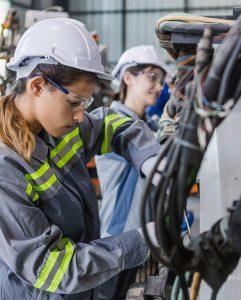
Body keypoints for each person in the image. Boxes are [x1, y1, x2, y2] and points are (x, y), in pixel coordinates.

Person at [0, 18, 159, 300]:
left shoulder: (57, 129)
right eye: (74, 102)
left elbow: (111, 122)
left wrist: (153, 159)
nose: (80, 116)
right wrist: (141, 242)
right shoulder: (6, 169)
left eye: (85, 104)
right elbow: (53, 267)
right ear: (37, 86)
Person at [95, 45, 168, 298]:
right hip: (117, 239)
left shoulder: (148, 126)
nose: (159, 87)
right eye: (152, 76)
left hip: (141, 239)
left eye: (161, 80)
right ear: (128, 77)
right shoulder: (113, 125)